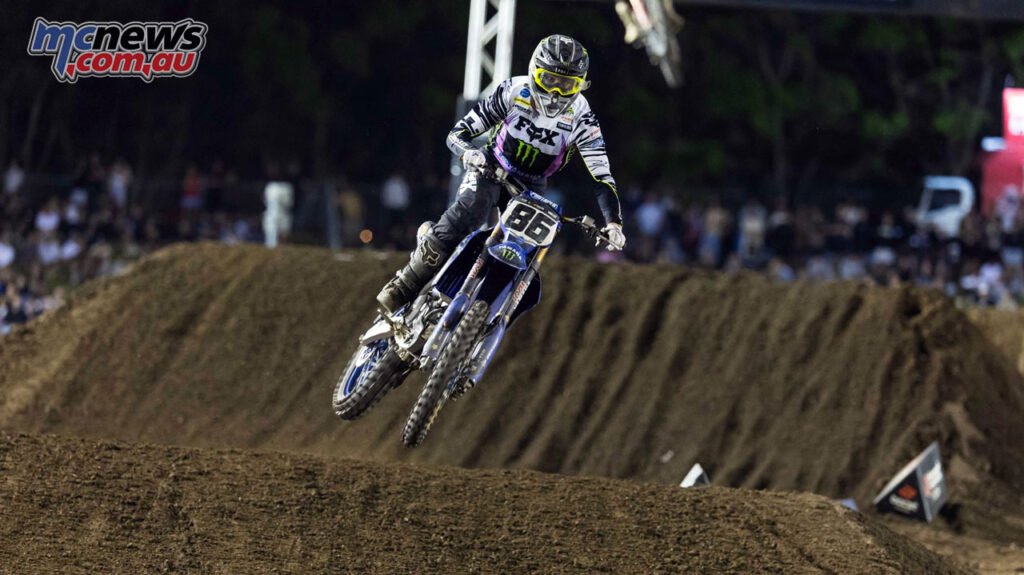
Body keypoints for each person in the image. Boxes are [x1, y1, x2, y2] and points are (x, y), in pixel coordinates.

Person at [377, 34, 625, 313]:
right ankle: (405, 284)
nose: (556, 92)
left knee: (526, 252)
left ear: (581, 84)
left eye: (568, 84)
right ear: (534, 72)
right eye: (549, 80)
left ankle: (487, 318)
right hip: (493, 167)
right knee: (472, 209)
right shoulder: (513, 90)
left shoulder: (583, 116)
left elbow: (600, 175)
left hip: (532, 186)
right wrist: (468, 152)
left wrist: (613, 223)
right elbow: (458, 133)